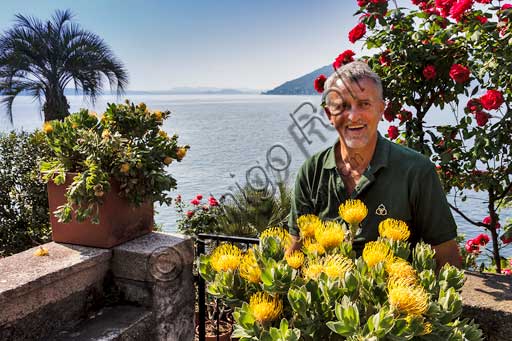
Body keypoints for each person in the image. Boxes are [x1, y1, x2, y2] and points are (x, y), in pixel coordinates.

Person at [287, 61, 461, 269]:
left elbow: (446, 255)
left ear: (381, 109)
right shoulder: (311, 171)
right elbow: (294, 253)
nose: (353, 116)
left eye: (364, 104)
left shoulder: (416, 171)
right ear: (328, 114)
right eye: (341, 106)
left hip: (395, 298)